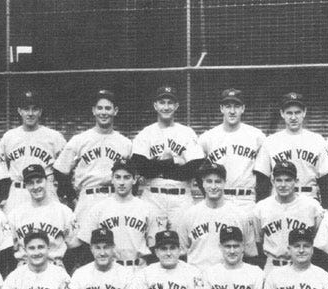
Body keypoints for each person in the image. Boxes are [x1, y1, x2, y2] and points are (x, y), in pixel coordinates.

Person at [54, 89, 132, 237]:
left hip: (115, 197)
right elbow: (60, 170)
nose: (104, 112)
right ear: (94, 111)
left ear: (115, 111)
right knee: (84, 243)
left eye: (108, 108)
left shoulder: (125, 143)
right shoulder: (80, 140)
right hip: (88, 197)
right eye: (100, 108)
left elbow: (132, 177)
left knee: (115, 241)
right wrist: (72, 197)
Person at [130, 85, 206, 230]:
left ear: (176, 106)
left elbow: (194, 167)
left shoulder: (186, 132)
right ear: (155, 105)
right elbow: (142, 168)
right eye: (162, 102)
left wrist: (157, 164)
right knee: (152, 243)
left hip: (181, 196)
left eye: (170, 103)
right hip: (153, 196)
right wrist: (176, 161)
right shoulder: (146, 133)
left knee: (182, 245)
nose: (166, 107)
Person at [78, 160, 162, 270]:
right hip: (110, 269)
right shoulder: (98, 209)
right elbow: (87, 245)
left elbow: (154, 246)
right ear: (112, 179)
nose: (121, 182)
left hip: (138, 268)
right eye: (118, 177)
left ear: (134, 179)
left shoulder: (147, 209)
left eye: (126, 177)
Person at [254, 92, 328, 205]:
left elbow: (325, 179)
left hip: (308, 198)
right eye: (289, 113)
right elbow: (263, 180)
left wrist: (326, 207)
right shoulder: (271, 141)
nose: (293, 117)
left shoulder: (317, 140)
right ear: (282, 113)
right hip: (279, 200)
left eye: (297, 112)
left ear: (304, 112)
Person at [0, 90, 66, 214]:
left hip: (45, 190)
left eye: (34, 109)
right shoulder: (9, 137)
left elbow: (64, 169)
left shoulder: (54, 137)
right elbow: (1, 170)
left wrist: (61, 192)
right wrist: (2, 196)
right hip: (18, 191)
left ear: (40, 111)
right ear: (19, 111)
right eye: (26, 109)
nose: (30, 114)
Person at [176, 162, 255, 269]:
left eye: (218, 182)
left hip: (228, 278)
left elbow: (250, 254)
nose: (213, 187)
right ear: (202, 183)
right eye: (209, 181)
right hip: (198, 277)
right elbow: (181, 254)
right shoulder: (189, 215)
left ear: (225, 183)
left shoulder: (240, 215)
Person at [198, 88, 265, 214]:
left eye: (237, 106)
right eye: (228, 106)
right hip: (218, 198)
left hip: (246, 199)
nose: (232, 111)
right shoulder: (207, 137)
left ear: (243, 109)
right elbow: (197, 171)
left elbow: (264, 175)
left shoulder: (256, 136)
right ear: (221, 108)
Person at [253, 160, 324, 271]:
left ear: (296, 181)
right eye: (279, 180)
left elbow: (318, 241)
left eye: (288, 180)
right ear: (272, 181)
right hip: (273, 266)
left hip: (302, 266)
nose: (283, 185)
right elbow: (258, 242)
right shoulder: (261, 207)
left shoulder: (312, 206)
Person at [8, 164, 78, 267]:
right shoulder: (15, 214)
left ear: (46, 181)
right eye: (31, 183)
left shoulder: (64, 212)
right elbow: (10, 250)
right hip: (25, 268)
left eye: (39, 181)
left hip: (54, 267)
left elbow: (74, 247)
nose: (35, 187)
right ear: (26, 186)